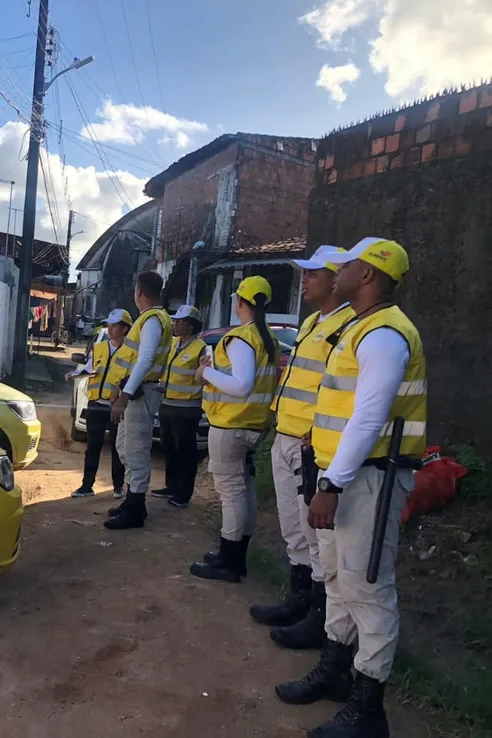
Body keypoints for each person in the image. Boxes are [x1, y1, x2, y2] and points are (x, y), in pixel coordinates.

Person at [275, 238, 425, 738]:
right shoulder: (359, 327)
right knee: (338, 579)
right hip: (341, 474)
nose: (337, 270)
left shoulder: (385, 334)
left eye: (348, 263)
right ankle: (335, 672)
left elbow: (369, 418)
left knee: (369, 588)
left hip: (368, 480)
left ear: (368, 274)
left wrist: (332, 483)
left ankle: (368, 710)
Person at [249, 246, 356, 650]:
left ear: (337, 279)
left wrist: (314, 435)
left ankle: (319, 616)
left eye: (314, 273)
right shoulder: (312, 321)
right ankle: (299, 600)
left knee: (315, 535)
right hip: (286, 435)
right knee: (292, 527)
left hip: (310, 444)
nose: (305, 280)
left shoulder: (346, 327)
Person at [190, 276, 280, 582]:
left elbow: (240, 385)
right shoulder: (268, 336)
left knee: (231, 493)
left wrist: (206, 372)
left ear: (240, 302)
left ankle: (228, 560)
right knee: (243, 492)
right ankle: (235, 556)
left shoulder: (242, 337)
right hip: (254, 425)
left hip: (231, 425)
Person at [104, 271, 173, 530]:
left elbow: (144, 361)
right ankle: (133, 502)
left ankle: (135, 508)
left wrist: (125, 396)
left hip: (141, 392)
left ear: (139, 293)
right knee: (124, 446)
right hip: (135, 391)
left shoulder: (153, 320)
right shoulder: (148, 319)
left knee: (136, 450)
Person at [64, 309, 131, 499]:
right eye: (108, 326)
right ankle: (86, 486)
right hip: (96, 404)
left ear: (125, 329)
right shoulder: (100, 347)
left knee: (118, 448)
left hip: (116, 408)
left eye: (114, 326)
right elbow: (90, 368)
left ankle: (118, 487)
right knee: (93, 446)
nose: (110, 330)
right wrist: (75, 374)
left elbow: (131, 378)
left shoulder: (131, 353)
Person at [150, 305, 207, 508]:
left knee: (185, 452)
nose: (175, 324)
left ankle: (183, 493)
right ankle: (170, 486)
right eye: (175, 321)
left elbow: (204, 377)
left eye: (180, 321)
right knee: (169, 449)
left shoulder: (201, 348)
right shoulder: (173, 344)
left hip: (187, 407)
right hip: (167, 403)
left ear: (191, 325)